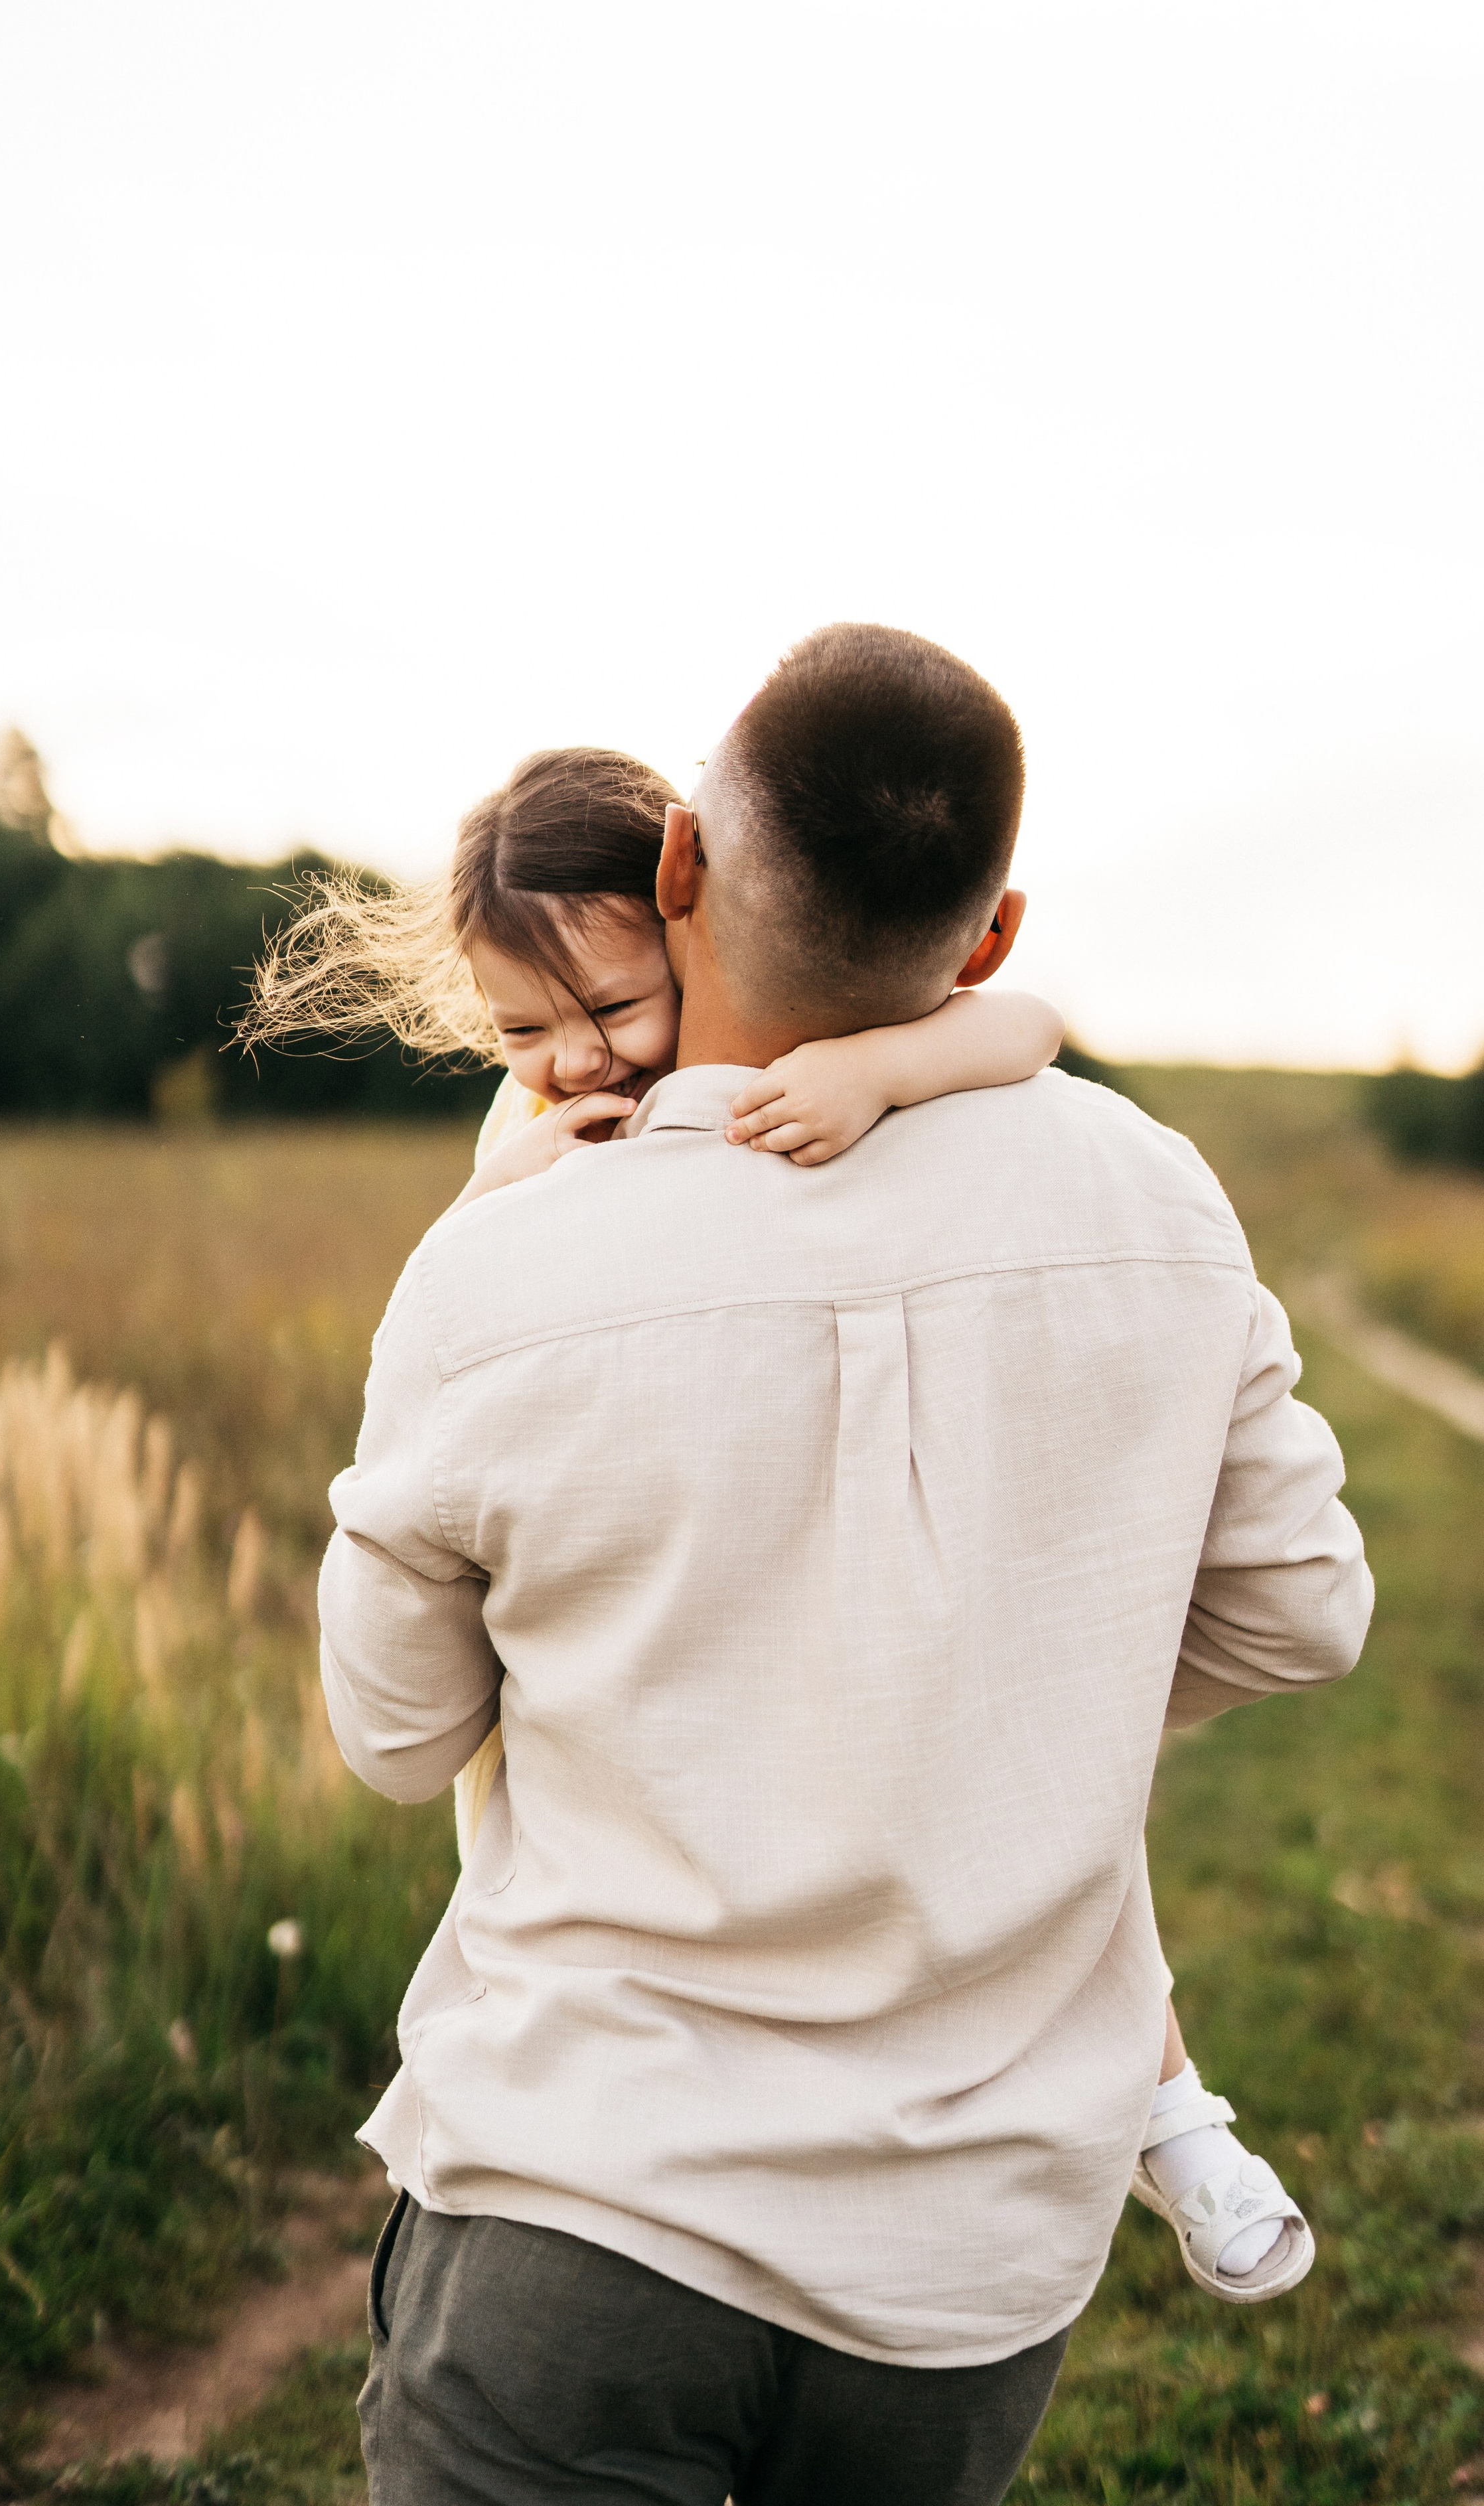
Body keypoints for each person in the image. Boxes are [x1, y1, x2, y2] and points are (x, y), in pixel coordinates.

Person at [313, 626, 1373, 2505]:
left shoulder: (498, 1262)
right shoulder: (1155, 1198)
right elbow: (1305, 1613)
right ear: (993, 931)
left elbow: (397, 1742)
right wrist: (1019, 1692)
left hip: (591, 2200)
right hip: (963, 2270)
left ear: (679, 867)